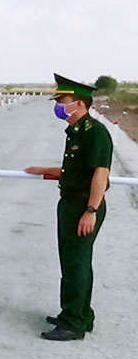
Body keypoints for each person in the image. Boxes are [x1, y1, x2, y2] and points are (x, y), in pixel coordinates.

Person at [25, 74, 112, 342]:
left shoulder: (94, 132)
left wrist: (91, 210)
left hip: (83, 205)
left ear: (79, 103)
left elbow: (100, 174)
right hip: (72, 202)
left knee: (75, 263)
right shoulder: (76, 131)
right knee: (77, 262)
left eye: (62, 100)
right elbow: (75, 171)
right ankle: (80, 314)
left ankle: (72, 323)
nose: (59, 105)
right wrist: (45, 170)